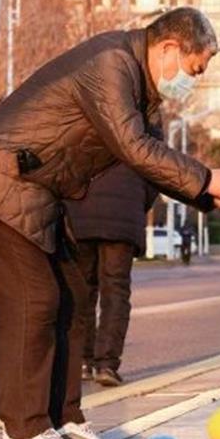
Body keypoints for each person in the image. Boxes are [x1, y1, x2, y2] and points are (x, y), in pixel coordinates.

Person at [0, 7, 220, 439]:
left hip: (36, 191)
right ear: (168, 48)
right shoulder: (110, 64)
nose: (192, 81)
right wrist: (209, 178)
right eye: (194, 70)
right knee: (34, 301)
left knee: (72, 296)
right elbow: (135, 147)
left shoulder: (140, 87)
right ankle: (22, 431)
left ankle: (63, 419)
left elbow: (146, 158)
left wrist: (213, 200)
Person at [66, 161, 156, 388]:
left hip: (81, 211)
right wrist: (136, 202)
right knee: (115, 290)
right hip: (123, 212)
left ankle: (81, 361)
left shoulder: (82, 124)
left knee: (81, 291)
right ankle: (106, 364)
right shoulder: (144, 126)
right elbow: (156, 170)